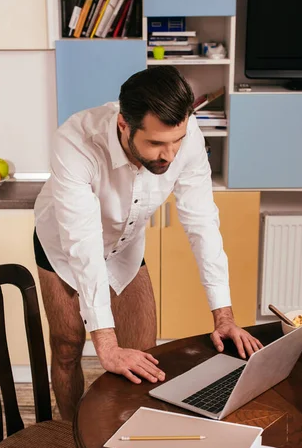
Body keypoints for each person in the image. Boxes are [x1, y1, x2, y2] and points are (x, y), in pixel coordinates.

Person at [34, 66, 262, 421]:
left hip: (124, 245)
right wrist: (106, 344)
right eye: (155, 143)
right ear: (124, 125)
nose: (169, 156)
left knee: (144, 355)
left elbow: (202, 223)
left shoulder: (186, 138)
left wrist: (224, 316)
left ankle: (130, 444)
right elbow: (83, 243)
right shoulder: (74, 141)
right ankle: (68, 435)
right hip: (64, 247)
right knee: (67, 346)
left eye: (176, 141)